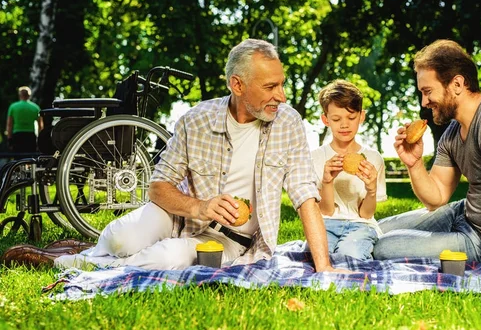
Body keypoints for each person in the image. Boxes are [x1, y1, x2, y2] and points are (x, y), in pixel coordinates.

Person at [2, 39, 347, 273]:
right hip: (177, 215)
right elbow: (157, 187)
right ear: (237, 85)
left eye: (281, 83)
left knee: (165, 258)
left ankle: (70, 261)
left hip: (227, 241)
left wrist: (325, 267)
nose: (282, 96)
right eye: (271, 87)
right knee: (124, 238)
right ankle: (95, 248)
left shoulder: (288, 123)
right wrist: (201, 206)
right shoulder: (195, 120)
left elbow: (305, 195)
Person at [372, 39, 481, 288]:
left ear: (457, 83)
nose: (424, 102)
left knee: (384, 247)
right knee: (374, 231)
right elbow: (436, 197)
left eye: (427, 91)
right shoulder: (453, 132)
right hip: (462, 213)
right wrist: (414, 163)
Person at [311, 80, 387, 260]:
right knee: (318, 257)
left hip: (361, 224)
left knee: (350, 255)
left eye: (351, 118)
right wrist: (327, 181)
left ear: (361, 116)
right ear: (325, 120)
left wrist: (371, 189)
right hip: (327, 223)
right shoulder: (315, 157)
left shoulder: (373, 158)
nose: (344, 125)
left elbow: (366, 214)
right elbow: (326, 211)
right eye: (336, 119)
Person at [6, 86, 43, 153]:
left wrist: (9, 139)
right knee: (29, 159)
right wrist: (39, 140)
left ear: (20, 95)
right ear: (29, 95)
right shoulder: (35, 108)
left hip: (17, 135)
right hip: (30, 136)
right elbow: (40, 126)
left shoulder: (13, 107)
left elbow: (9, 124)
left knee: (18, 159)